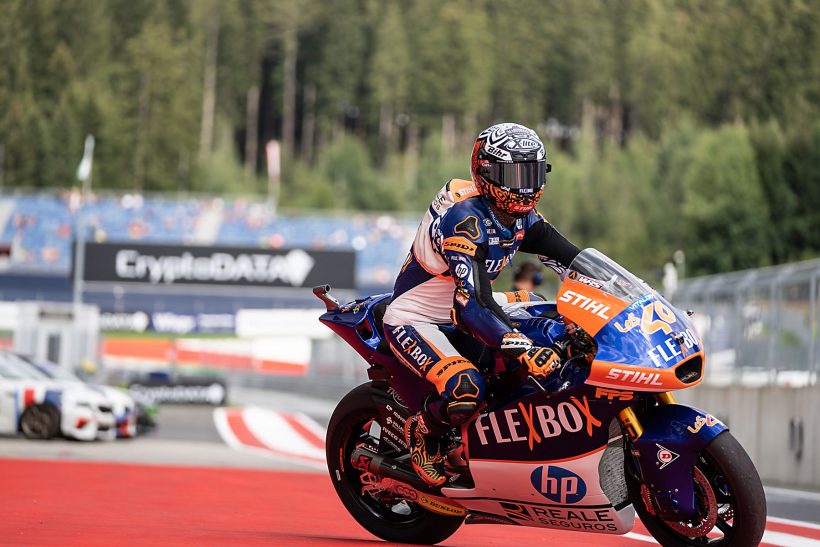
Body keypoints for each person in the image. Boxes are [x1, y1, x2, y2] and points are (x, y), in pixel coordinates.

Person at [382, 122, 581, 486]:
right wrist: (524, 350)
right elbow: (472, 303)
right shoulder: (465, 220)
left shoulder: (523, 218)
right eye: (516, 174)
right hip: (421, 318)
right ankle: (423, 431)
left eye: (533, 173)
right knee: (466, 389)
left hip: (465, 310)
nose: (526, 186)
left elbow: (576, 263)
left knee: (551, 315)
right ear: (487, 172)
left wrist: (633, 296)